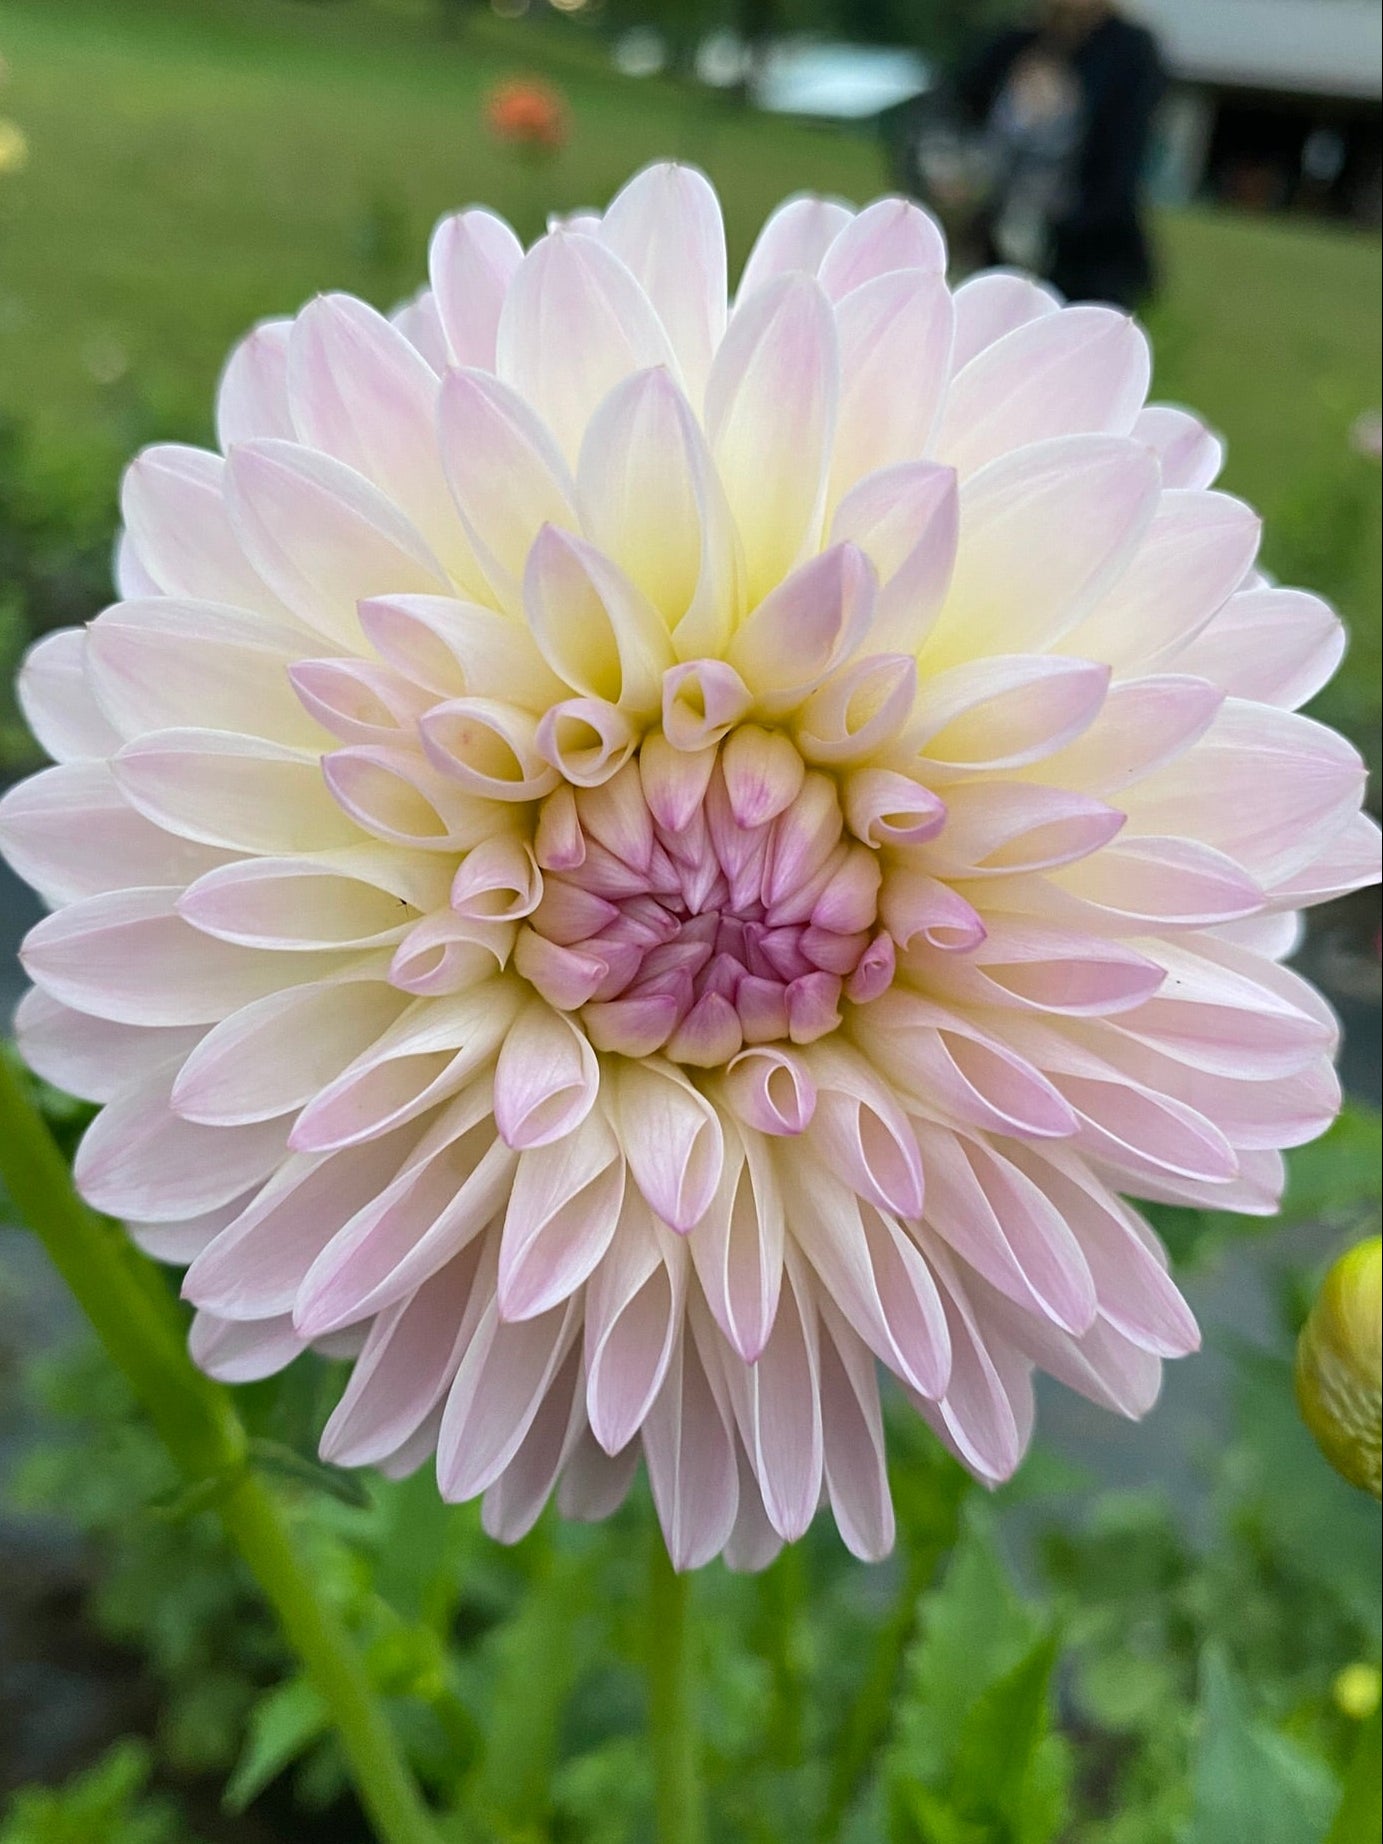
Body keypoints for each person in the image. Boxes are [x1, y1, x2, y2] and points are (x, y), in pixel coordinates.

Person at [956, 0, 1166, 308]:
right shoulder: (1014, 44)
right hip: (996, 244)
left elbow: (1119, 163)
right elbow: (958, 116)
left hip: (1087, 256)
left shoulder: (1130, 51)